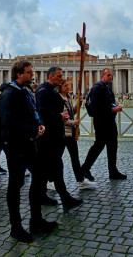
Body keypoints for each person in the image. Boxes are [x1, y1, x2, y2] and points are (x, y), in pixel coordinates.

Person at [0, 60, 57, 243]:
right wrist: (32, 129)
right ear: (19, 74)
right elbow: (8, 121)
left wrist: (39, 124)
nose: (32, 75)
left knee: (40, 177)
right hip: (16, 145)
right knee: (15, 185)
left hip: (31, 143)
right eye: (29, 72)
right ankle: (15, 227)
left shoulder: (26, 91)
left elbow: (33, 113)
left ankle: (36, 219)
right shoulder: (9, 94)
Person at [36, 67, 83, 209]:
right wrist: (59, 116)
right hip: (49, 137)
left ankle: (43, 196)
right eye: (58, 76)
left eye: (61, 76)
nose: (61, 78)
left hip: (55, 135)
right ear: (50, 76)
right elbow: (42, 112)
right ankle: (64, 198)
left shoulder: (50, 90)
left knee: (48, 169)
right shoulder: (44, 91)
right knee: (55, 168)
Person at [80, 68, 127, 181]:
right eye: (108, 75)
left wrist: (113, 108)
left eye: (111, 75)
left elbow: (108, 103)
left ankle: (113, 171)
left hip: (110, 122)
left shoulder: (107, 89)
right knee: (98, 146)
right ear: (102, 76)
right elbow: (97, 107)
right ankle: (84, 168)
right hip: (101, 122)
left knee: (112, 147)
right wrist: (112, 110)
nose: (110, 77)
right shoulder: (97, 89)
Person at [58, 78, 96, 190]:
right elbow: (61, 118)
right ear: (60, 88)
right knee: (57, 158)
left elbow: (71, 113)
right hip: (63, 132)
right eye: (65, 86)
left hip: (71, 132)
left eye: (68, 85)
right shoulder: (58, 99)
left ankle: (80, 180)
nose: (68, 88)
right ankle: (50, 180)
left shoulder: (68, 98)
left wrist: (78, 104)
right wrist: (73, 122)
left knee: (75, 157)